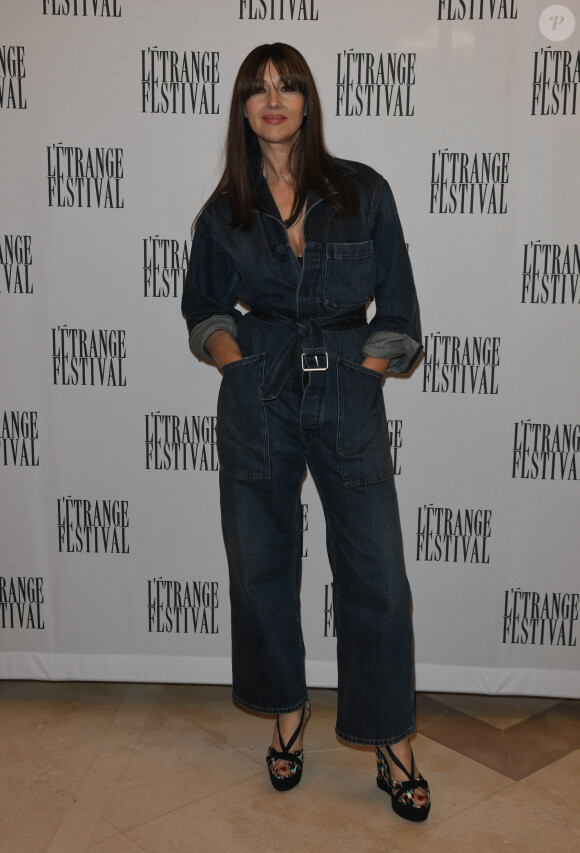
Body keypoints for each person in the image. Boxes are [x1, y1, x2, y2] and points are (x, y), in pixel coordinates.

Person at [181, 42, 430, 822]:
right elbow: (204, 309)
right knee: (259, 562)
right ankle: (287, 712)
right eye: (257, 89)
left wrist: (366, 373)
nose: (273, 99)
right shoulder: (225, 210)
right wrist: (238, 367)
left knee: (377, 575)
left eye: (287, 85)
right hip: (260, 388)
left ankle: (393, 739)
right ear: (242, 109)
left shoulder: (363, 191)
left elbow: (400, 308)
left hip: (347, 389)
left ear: (308, 100)